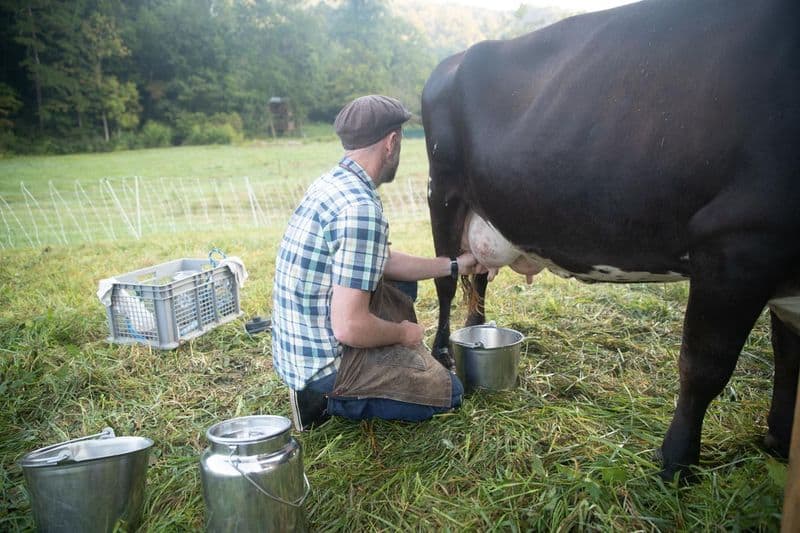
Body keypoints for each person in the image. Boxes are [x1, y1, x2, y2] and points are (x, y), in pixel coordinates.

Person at [271, 95, 486, 431]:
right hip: (325, 366)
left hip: (300, 350)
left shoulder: (332, 184)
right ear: (392, 142)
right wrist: (403, 333)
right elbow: (349, 327)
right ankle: (322, 400)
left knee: (403, 284)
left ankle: (352, 377)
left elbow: (379, 261)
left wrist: (455, 265)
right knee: (449, 392)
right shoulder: (360, 210)